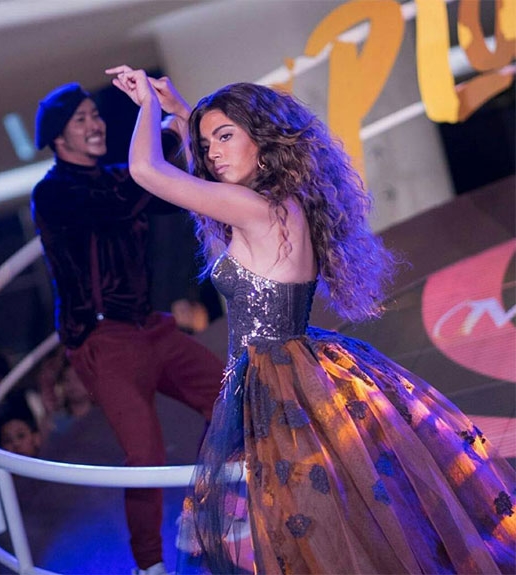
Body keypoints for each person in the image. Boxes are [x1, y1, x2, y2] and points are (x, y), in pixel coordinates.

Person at [108, 66, 516, 575]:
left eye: (226, 137)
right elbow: (212, 180)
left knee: (299, 522)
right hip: (296, 370)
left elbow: (147, 171)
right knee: (323, 517)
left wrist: (147, 106)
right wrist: (183, 115)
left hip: (275, 383)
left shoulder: (252, 208)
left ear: (263, 141)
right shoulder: (281, 203)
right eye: (208, 143)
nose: (212, 153)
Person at [30, 80, 224, 575]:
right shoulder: (52, 193)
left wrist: (182, 129)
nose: (95, 125)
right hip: (102, 340)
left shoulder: (121, 176)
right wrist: (159, 129)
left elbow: (175, 192)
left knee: (231, 399)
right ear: (58, 137)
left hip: (150, 327)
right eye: (81, 119)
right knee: (146, 455)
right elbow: (123, 197)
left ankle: (206, 508)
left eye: (96, 115)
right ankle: (149, 565)